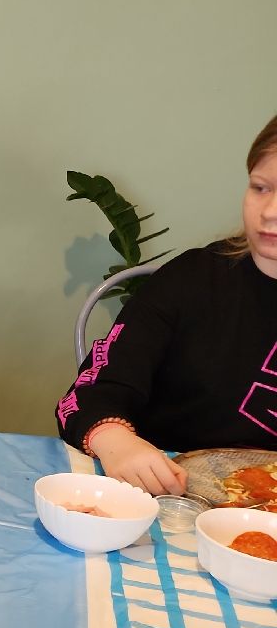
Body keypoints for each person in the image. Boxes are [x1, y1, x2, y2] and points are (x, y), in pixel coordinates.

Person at [56, 113, 277, 495]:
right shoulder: (191, 280)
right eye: (260, 188)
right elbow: (86, 395)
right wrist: (115, 441)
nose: (270, 212)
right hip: (166, 498)